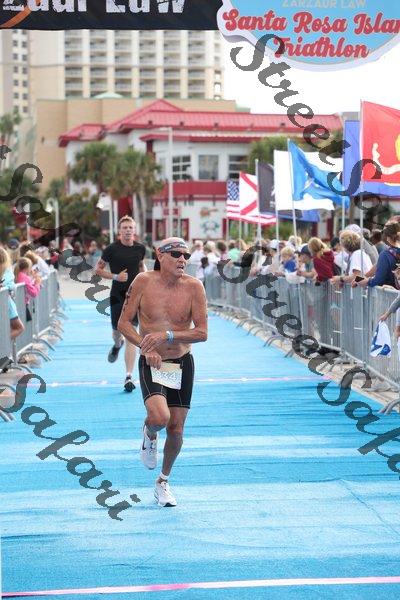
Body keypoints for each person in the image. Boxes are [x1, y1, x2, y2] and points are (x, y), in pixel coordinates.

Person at [118, 237, 208, 507]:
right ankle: (150, 431)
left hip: (181, 361)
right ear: (160, 255)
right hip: (152, 361)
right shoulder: (143, 282)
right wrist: (145, 347)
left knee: (177, 429)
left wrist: (167, 335)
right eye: (177, 254)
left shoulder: (194, 286)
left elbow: (202, 332)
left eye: (186, 256)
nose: (183, 260)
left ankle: (163, 481)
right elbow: (124, 323)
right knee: (159, 417)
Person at [95, 216, 146, 393]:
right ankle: (117, 345)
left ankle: (128, 376)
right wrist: (116, 276)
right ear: (119, 231)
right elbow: (98, 269)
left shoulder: (140, 248)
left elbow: (141, 267)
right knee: (117, 334)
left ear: (134, 230)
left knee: (132, 335)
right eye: (125, 228)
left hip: (135, 297)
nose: (128, 230)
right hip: (117, 296)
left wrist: (148, 281)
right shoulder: (111, 249)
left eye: (130, 227)